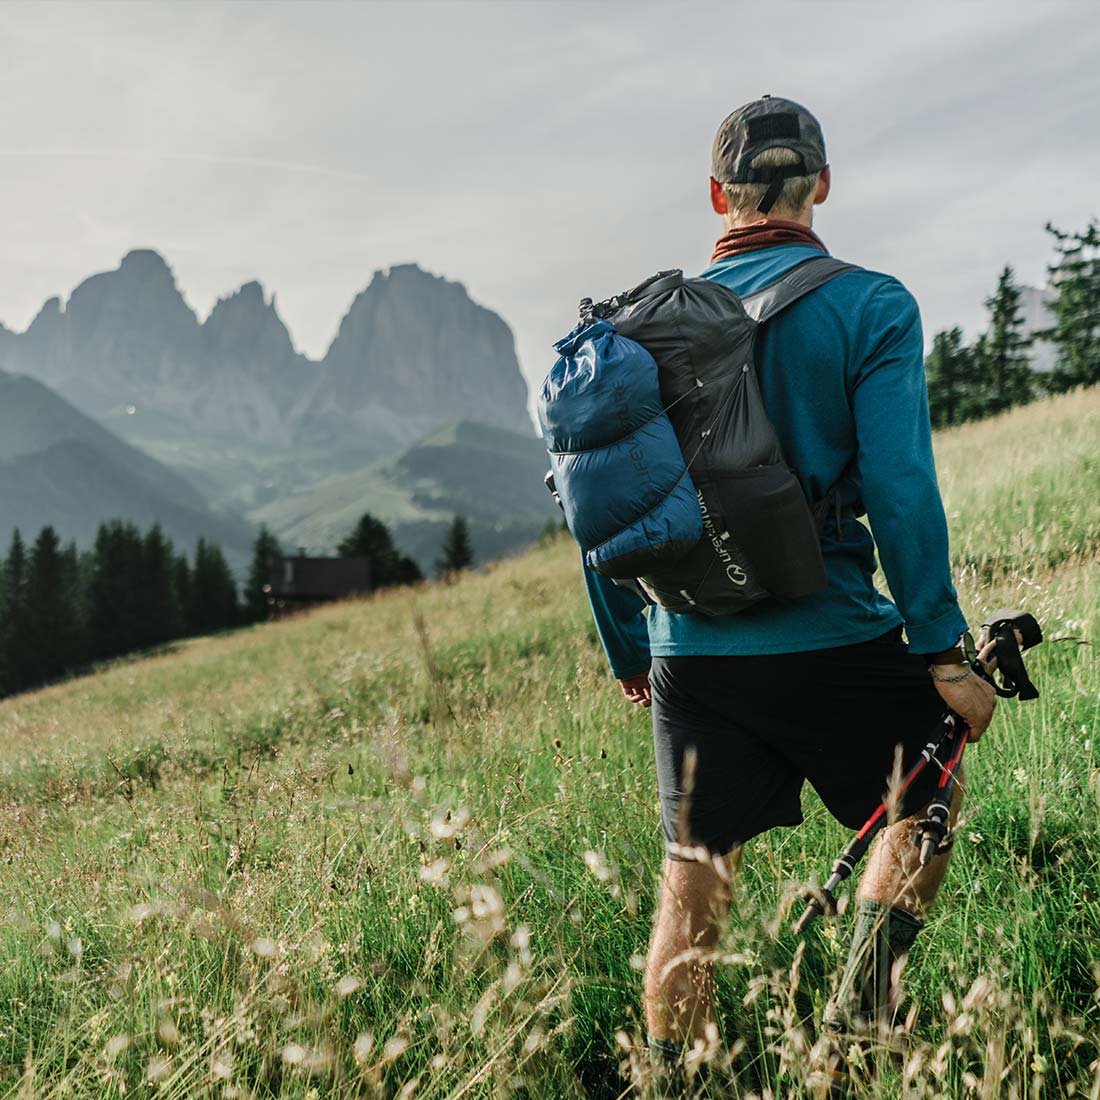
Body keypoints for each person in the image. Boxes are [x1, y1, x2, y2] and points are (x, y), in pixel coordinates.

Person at [580, 95, 997, 1087]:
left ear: (715, 195)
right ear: (821, 185)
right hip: (835, 637)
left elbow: (597, 505)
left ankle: (672, 1081)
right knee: (926, 800)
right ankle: (857, 1026)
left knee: (691, 884)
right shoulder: (871, 307)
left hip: (690, 653)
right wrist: (943, 652)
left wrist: (633, 650)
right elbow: (900, 487)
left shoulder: (634, 333)